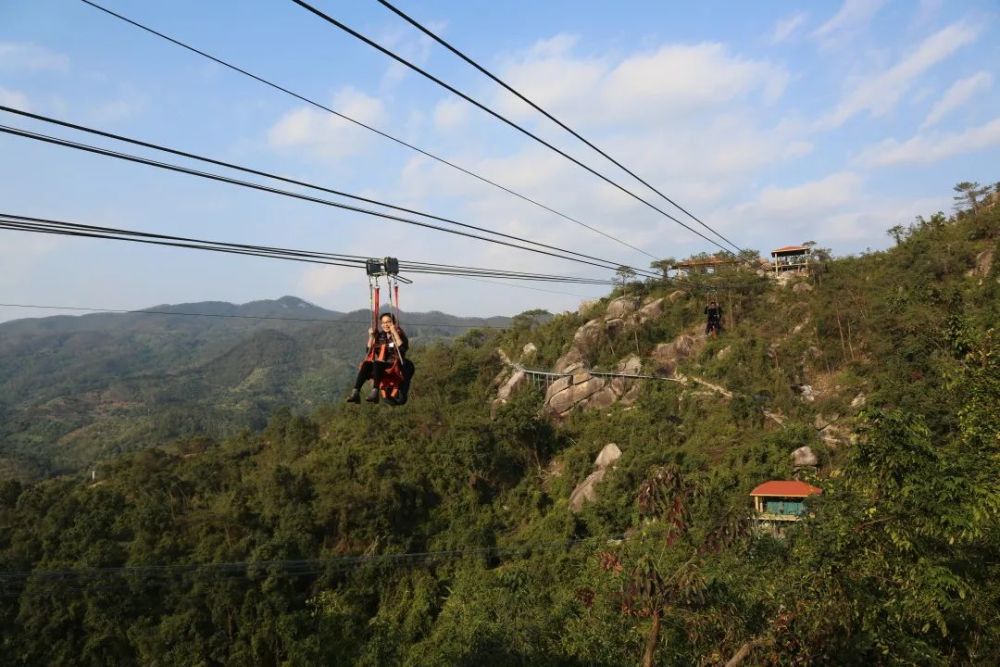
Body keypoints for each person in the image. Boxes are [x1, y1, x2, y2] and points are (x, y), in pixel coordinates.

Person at [345, 312, 413, 404]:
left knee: (377, 363)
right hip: (381, 364)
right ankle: (356, 392)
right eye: (384, 323)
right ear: (381, 324)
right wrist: (371, 337)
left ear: (393, 323)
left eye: (388, 322)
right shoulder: (380, 336)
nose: (386, 325)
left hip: (393, 363)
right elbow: (368, 351)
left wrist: (395, 333)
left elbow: (403, 349)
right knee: (366, 364)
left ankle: (375, 391)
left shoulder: (399, 334)